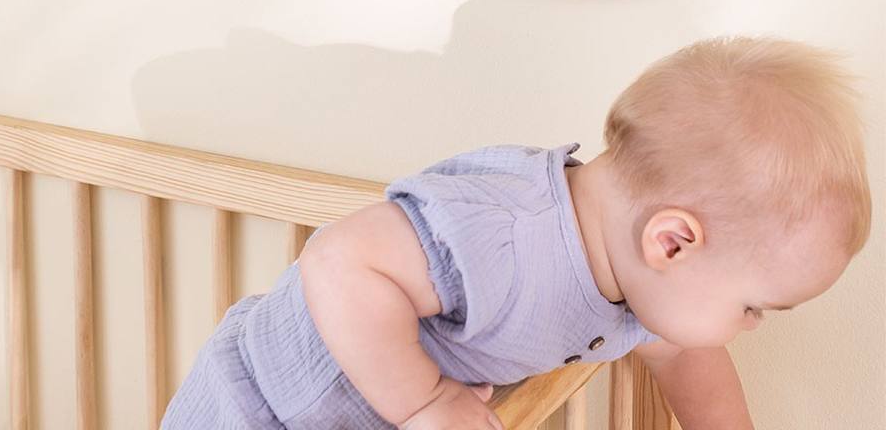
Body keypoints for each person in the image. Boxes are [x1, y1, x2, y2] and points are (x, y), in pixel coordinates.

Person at [161, 37, 872, 429]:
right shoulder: (507, 232)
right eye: (753, 307)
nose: (749, 327)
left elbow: (686, 357)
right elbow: (340, 261)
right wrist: (427, 402)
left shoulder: (638, 283)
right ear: (673, 243)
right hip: (252, 408)